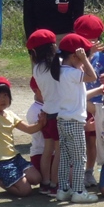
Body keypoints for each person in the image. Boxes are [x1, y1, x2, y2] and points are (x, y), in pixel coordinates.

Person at [0, 76, 44, 196]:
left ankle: (15, 179)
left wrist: (41, 123)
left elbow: (29, 129)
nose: (3, 99)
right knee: (25, 190)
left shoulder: (10, 114)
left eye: (5, 95)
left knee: (37, 178)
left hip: (14, 157)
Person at [52, 32, 99, 203]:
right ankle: (79, 191)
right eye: (81, 57)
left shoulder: (62, 71)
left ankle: (63, 189)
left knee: (65, 157)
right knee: (80, 159)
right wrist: (86, 59)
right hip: (74, 122)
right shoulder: (71, 73)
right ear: (74, 56)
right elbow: (92, 76)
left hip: (63, 120)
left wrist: (86, 55)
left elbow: (81, 90)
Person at [27, 28, 62, 195]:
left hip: (46, 112)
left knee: (48, 150)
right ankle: (55, 184)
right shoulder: (58, 65)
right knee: (59, 151)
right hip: (58, 114)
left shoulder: (37, 69)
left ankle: (46, 183)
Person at [74, 13, 104, 189]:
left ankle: (89, 171)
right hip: (77, 103)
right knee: (78, 139)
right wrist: (87, 55)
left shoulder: (102, 56)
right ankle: (75, 171)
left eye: (95, 38)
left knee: (92, 139)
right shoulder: (73, 56)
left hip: (96, 103)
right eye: (86, 38)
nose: (91, 42)